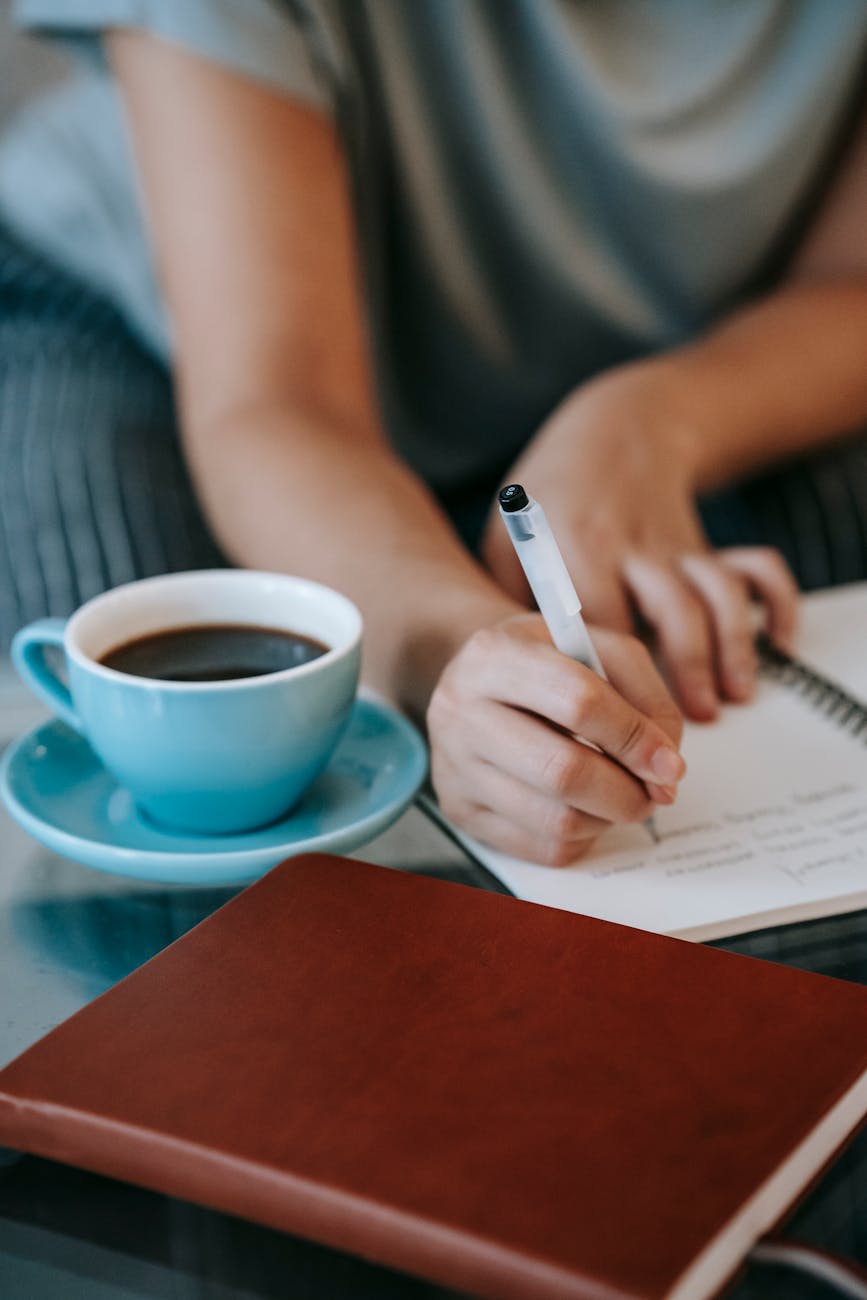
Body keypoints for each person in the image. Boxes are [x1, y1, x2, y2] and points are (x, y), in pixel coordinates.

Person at [1, 1, 866, 868]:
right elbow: (280, 397)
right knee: (176, 763)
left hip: (711, 351)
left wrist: (651, 423)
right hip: (179, 340)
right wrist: (454, 650)